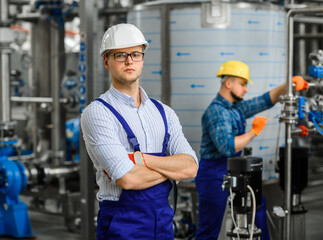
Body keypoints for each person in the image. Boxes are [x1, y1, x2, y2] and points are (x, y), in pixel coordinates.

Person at [80, 23, 198, 240]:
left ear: (142, 58)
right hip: (122, 226)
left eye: (135, 54)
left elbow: (190, 167)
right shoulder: (97, 113)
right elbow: (128, 179)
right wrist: (171, 168)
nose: (129, 61)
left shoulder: (164, 112)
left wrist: (139, 159)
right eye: (120, 55)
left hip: (163, 223)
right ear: (106, 61)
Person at [195, 60, 286, 240]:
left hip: (233, 170)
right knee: (209, 229)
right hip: (213, 174)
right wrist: (254, 132)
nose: (246, 89)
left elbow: (264, 101)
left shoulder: (236, 108)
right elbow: (227, 147)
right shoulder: (216, 111)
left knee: (257, 205)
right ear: (229, 83)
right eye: (243, 84)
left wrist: (288, 85)